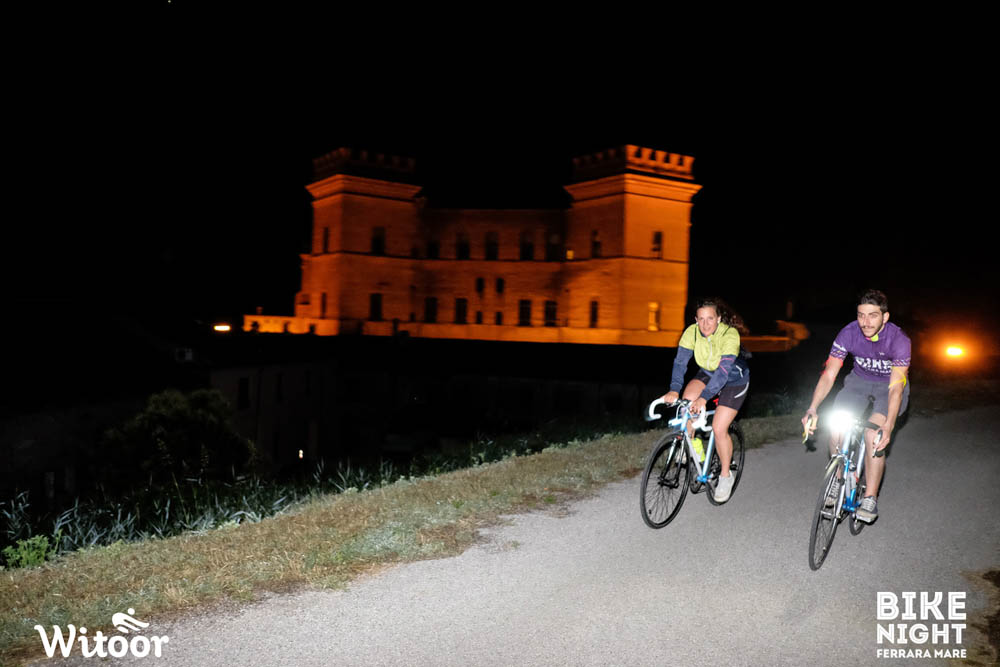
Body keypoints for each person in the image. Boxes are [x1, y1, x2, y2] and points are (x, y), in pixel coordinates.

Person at [802, 289, 911, 523]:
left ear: (885, 317)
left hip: (888, 388)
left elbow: (896, 388)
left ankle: (870, 497)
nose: (865, 322)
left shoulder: (899, 340)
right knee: (836, 426)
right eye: (861, 315)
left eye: (873, 315)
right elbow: (829, 374)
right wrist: (813, 408)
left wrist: (889, 425)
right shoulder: (848, 333)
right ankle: (840, 476)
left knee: (872, 435)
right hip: (858, 383)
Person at [662, 297, 750, 503]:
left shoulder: (730, 334)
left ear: (718, 319)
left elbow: (723, 372)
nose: (705, 324)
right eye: (701, 319)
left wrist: (704, 398)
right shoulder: (691, 332)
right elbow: (680, 363)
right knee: (686, 403)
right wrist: (674, 389)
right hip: (708, 373)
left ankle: (726, 476)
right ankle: (695, 452)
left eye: (710, 318)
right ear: (695, 319)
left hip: (734, 380)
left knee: (719, 429)